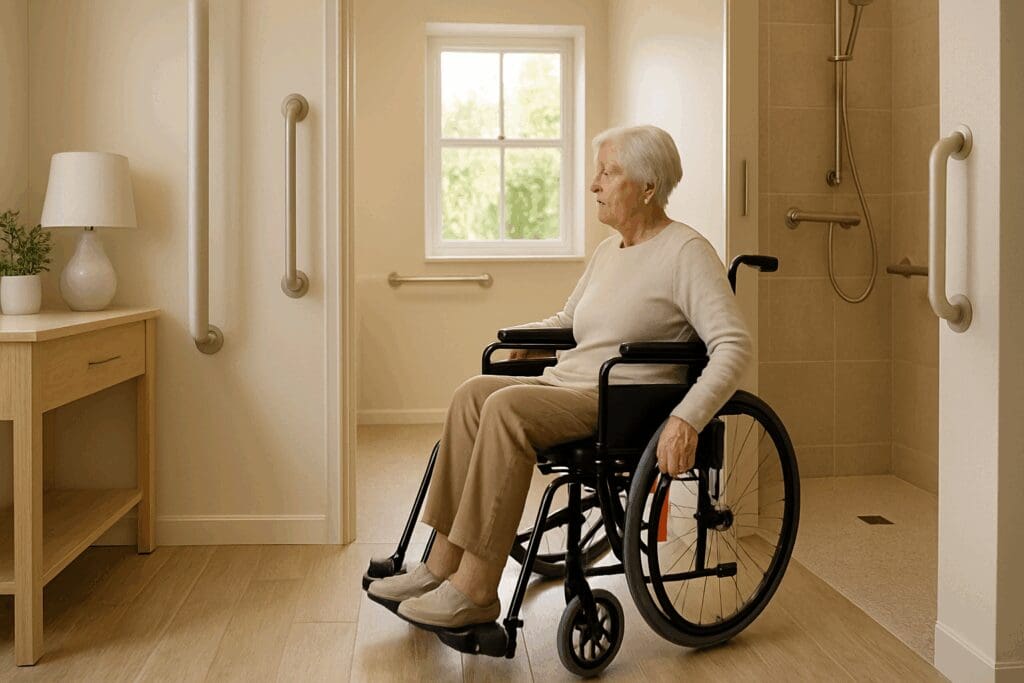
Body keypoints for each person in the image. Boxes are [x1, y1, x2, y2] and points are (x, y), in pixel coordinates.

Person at [368, 124, 753, 630]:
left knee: (505, 408)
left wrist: (688, 419)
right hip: (570, 384)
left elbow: (733, 345)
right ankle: (438, 566)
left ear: (647, 186)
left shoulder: (686, 252)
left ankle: (477, 590)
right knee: (472, 395)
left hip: (621, 399)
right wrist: (525, 337)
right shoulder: (608, 251)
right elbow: (568, 320)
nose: (594, 184)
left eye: (607, 173)